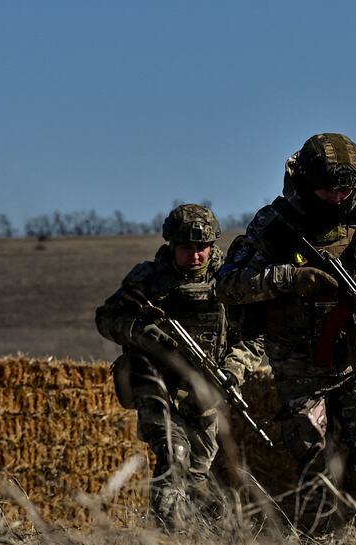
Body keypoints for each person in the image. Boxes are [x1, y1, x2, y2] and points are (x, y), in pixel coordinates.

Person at [214, 133, 356, 530]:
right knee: (312, 454)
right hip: (298, 358)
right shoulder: (274, 224)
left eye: (346, 189)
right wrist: (288, 278)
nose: (339, 197)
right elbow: (228, 283)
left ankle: (347, 520)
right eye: (328, 190)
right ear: (308, 183)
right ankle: (320, 543)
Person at [95, 204, 263, 527]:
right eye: (187, 248)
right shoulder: (150, 279)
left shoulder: (229, 281)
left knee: (197, 478)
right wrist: (143, 334)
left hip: (204, 390)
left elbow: (255, 340)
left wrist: (232, 370)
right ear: (171, 246)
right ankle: (168, 544)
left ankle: (209, 541)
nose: (196, 255)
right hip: (155, 385)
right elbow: (106, 317)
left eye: (202, 248)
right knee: (174, 457)